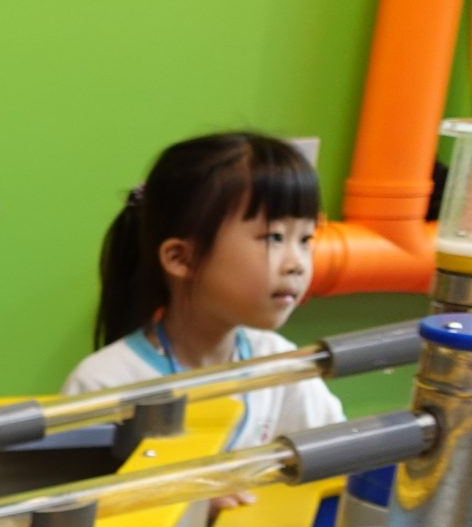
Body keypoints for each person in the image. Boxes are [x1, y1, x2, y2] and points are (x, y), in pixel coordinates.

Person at [63, 131, 342, 448]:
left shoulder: (281, 365)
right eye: (274, 237)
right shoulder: (104, 383)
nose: (297, 264)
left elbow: (337, 454)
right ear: (181, 258)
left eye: (305, 240)